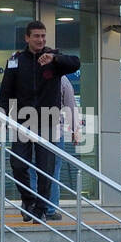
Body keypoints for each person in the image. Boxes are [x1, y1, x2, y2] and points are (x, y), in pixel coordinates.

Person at [0, 21, 80, 223]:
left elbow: (75, 63)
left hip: (48, 121)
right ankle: (29, 200)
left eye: (43, 36)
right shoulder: (16, 61)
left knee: (46, 169)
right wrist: (4, 117)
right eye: (36, 36)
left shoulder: (54, 59)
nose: (41, 40)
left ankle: (41, 209)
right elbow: (5, 93)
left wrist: (55, 58)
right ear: (27, 38)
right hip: (22, 121)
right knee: (18, 164)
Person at [42, 74, 80, 218]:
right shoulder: (62, 79)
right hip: (55, 132)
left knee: (32, 168)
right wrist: (75, 130)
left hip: (31, 129)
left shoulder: (32, 73)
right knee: (53, 170)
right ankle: (50, 209)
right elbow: (70, 105)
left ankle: (33, 206)